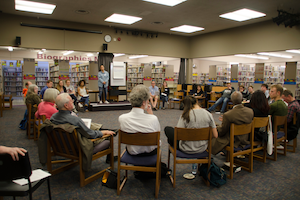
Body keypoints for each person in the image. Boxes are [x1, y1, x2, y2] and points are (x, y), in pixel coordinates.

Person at [50, 93, 115, 154]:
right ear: (66, 105)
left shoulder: (53, 117)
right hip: (78, 150)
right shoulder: (75, 120)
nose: (73, 101)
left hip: (60, 147)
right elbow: (90, 134)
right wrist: (104, 132)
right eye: (71, 100)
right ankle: (109, 160)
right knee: (108, 139)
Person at [119, 85, 160, 156]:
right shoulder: (153, 119)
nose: (148, 102)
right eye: (147, 100)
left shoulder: (122, 118)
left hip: (132, 152)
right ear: (144, 102)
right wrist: (151, 115)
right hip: (149, 153)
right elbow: (158, 140)